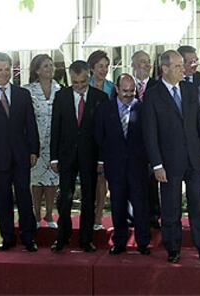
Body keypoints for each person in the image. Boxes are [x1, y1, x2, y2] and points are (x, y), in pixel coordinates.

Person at [143, 50, 200, 263]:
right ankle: (173, 248)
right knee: (171, 206)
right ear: (164, 69)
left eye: (182, 65)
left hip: (194, 157)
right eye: (177, 66)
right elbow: (150, 133)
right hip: (168, 161)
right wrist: (156, 165)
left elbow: (199, 123)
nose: (182, 69)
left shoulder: (190, 89)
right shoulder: (153, 94)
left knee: (198, 204)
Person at [0, 52, 39, 252]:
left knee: (24, 198)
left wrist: (34, 150)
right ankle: (8, 238)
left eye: (7, 69)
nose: (4, 73)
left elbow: (31, 124)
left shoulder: (22, 94)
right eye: (0, 69)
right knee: (2, 199)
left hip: (21, 155)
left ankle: (29, 238)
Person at [50, 60, 108, 252]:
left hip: (90, 156)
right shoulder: (61, 96)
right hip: (66, 156)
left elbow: (103, 132)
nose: (80, 86)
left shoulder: (100, 98)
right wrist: (54, 158)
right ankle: (62, 236)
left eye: (83, 82)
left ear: (88, 76)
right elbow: (55, 128)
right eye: (75, 82)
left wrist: (101, 159)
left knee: (88, 198)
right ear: (70, 78)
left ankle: (86, 239)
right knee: (64, 198)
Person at [95, 74, 151, 255]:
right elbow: (99, 136)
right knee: (117, 203)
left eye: (131, 91)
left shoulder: (143, 109)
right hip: (115, 165)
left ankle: (143, 242)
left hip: (138, 165)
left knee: (140, 204)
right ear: (117, 89)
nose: (128, 95)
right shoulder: (105, 109)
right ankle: (119, 241)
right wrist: (102, 160)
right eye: (124, 91)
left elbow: (149, 138)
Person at [24, 54, 61, 230]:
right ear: (37, 70)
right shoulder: (28, 91)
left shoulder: (59, 89)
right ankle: (36, 214)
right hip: (35, 141)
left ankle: (49, 213)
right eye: (46, 66)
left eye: (51, 65)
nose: (50, 69)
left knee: (53, 178)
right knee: (36, 178)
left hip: (54, 141)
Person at [131, 50, 160, 229]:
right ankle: (132, 215)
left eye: (148, 62)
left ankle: (153, 215)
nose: (147, 65)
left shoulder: (157, 87)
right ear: (133, 65)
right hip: (131, 143)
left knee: (151, 182)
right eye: (142, 62)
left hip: (153, 143)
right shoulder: (126, 85)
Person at [87, 50, 114, 231]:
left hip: (106, 139)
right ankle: (87, 215)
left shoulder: (112, 88)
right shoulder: (83, 85)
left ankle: (98, 217)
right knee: (89, 180)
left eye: (106, 66)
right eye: (100, 66)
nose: (103, 70)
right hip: (86, 138)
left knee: (102, 179)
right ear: (91, 68)